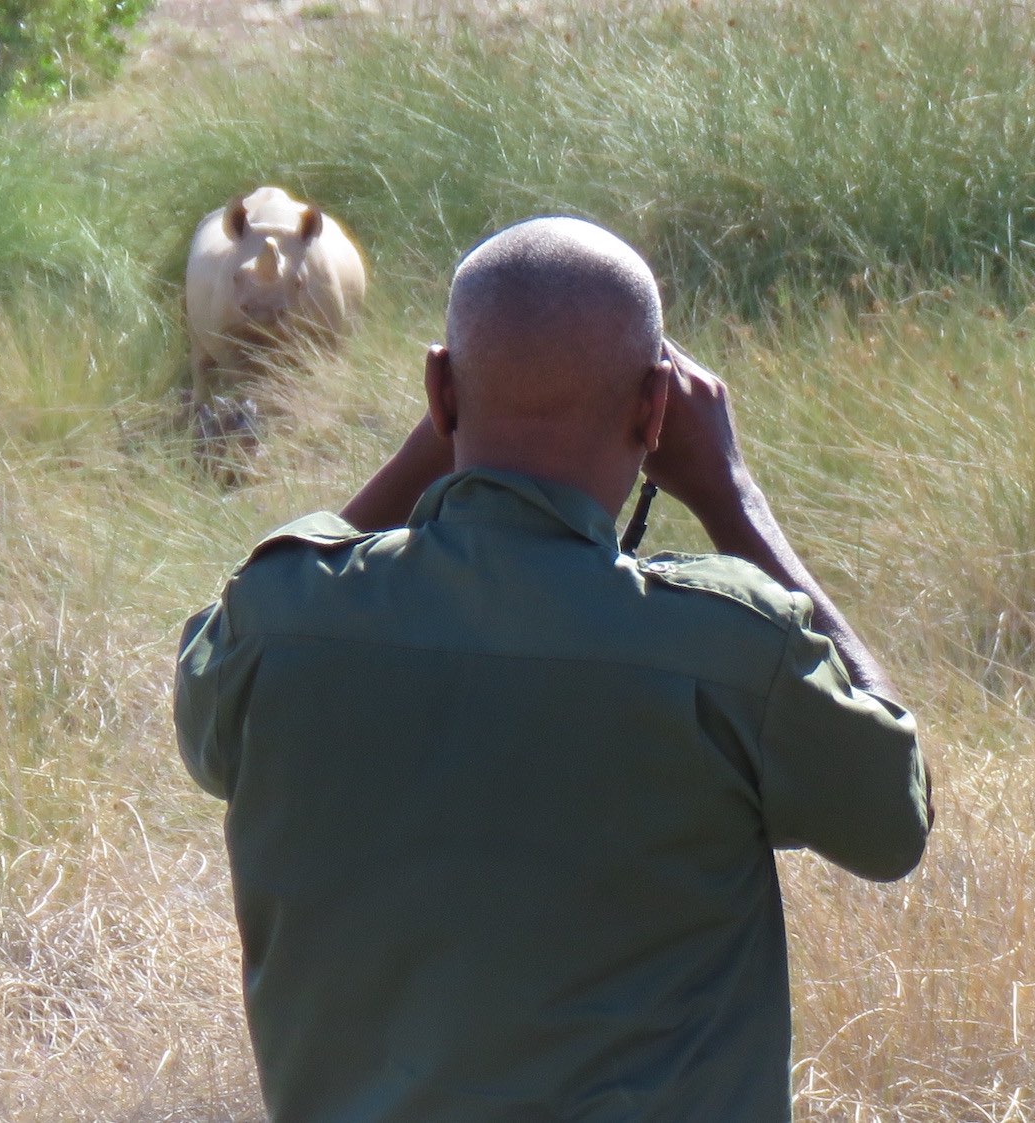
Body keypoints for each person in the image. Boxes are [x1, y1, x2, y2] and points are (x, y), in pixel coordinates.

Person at [173, 216, 930, 1122]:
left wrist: (443, 428)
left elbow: (223, 671)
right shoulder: (728, 650)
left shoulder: (279, 625)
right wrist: (734, 497)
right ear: (654, 411)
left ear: (439, 390)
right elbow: (894, 816)